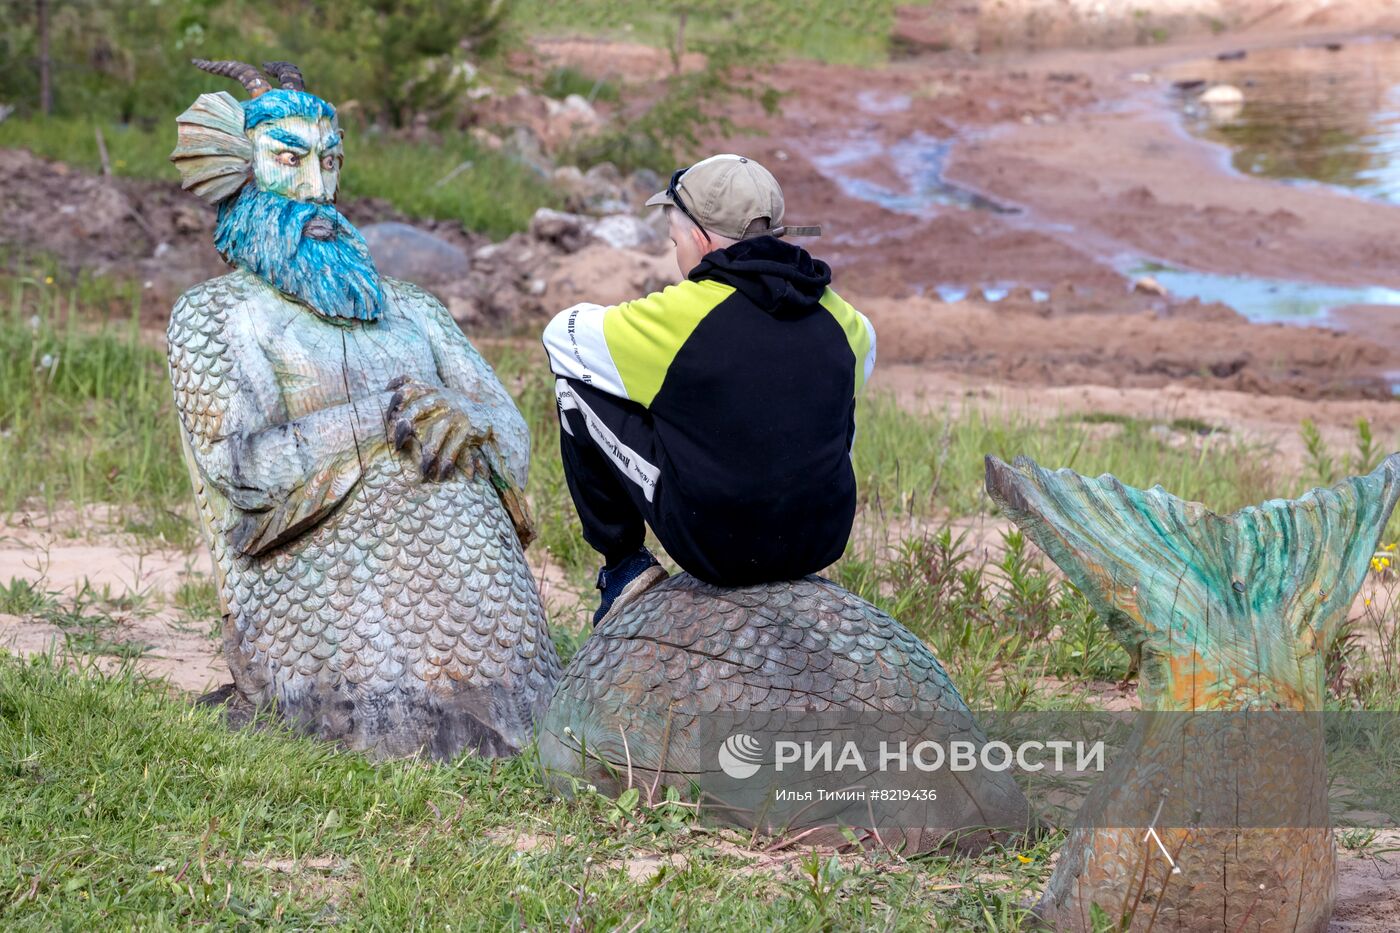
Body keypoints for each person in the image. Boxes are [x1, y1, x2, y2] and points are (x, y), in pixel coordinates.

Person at [542, 154, 876, 625]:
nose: (676, 252)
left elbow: (560, 336)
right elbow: (857, 359)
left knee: (574, 387)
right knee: (833, 389)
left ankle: (623, 566)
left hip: (716, 548)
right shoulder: (845, 319)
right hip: (820, 539)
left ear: (699, 238)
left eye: (675, 239)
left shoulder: (681, 316)